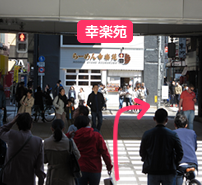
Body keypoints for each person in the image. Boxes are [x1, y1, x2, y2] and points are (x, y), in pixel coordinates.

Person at [139, 108, 183, 185]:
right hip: (168, 169)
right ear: (166, 120)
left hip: (152, 169)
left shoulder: (147, 134)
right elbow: (180, 152)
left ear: (154, 119)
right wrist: (174, 162)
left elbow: (142, 152)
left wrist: (147, 160)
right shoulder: (172, 135)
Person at [0, 113, 46, 185]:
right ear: (31, 124)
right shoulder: (38, 141)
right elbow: (39, 168)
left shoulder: (12, 135)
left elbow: (1, 131)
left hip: (9, 179)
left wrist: (12, 122)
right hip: (27, 180)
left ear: (17, 125)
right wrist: (41, 181)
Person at [66, 116, 113, 185]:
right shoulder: (97, 136)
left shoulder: (75, 137)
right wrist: (109, 166)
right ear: (88, 124)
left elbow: (62, 142)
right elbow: (104, 152)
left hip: (80, 168)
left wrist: (68, 135)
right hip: (95, 168)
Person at [44, 119, 80, 185]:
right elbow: (77, 156)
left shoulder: (46, 142)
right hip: (67, 175)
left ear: (52, 129)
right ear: (63, 129)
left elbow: (44, 160)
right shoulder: (70, 142)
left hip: (52, 175)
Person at [173, 114, 198, 185]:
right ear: (186, 125)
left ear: (175, 124)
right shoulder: (192, 132)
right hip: (193, 162)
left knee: (178, 175)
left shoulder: (173, 133)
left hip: (181, 163)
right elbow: (195, 147)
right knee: (191, 176)